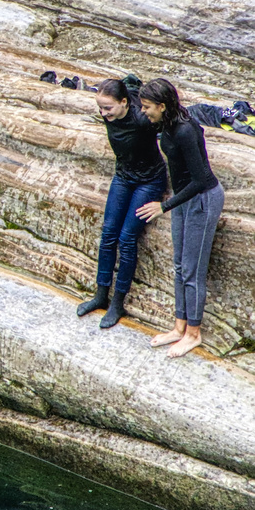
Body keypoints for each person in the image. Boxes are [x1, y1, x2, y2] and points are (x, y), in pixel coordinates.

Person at [136, 78, 224, 357]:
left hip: (202, 198)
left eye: (147, 107)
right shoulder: (165, 124)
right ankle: (179, 327)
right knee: (178, 266)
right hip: (184, 198)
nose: (143, 112)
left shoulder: (185, 130)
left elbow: (201, 179)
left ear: (162, 106)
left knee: (192, 270)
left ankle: (193, 334)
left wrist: (164, 206)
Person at [76, 77, 168, 329]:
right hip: (124, 176)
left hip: (149, 181)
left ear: (125, 103)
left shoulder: (142, 119)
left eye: (108, 108)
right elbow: (130, 82)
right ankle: (100, 295)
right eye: (100, 108)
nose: (104, 114)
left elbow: (166, 116)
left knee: (126, 238)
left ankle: (118, 302)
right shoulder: (114, 111)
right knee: (108, 234)